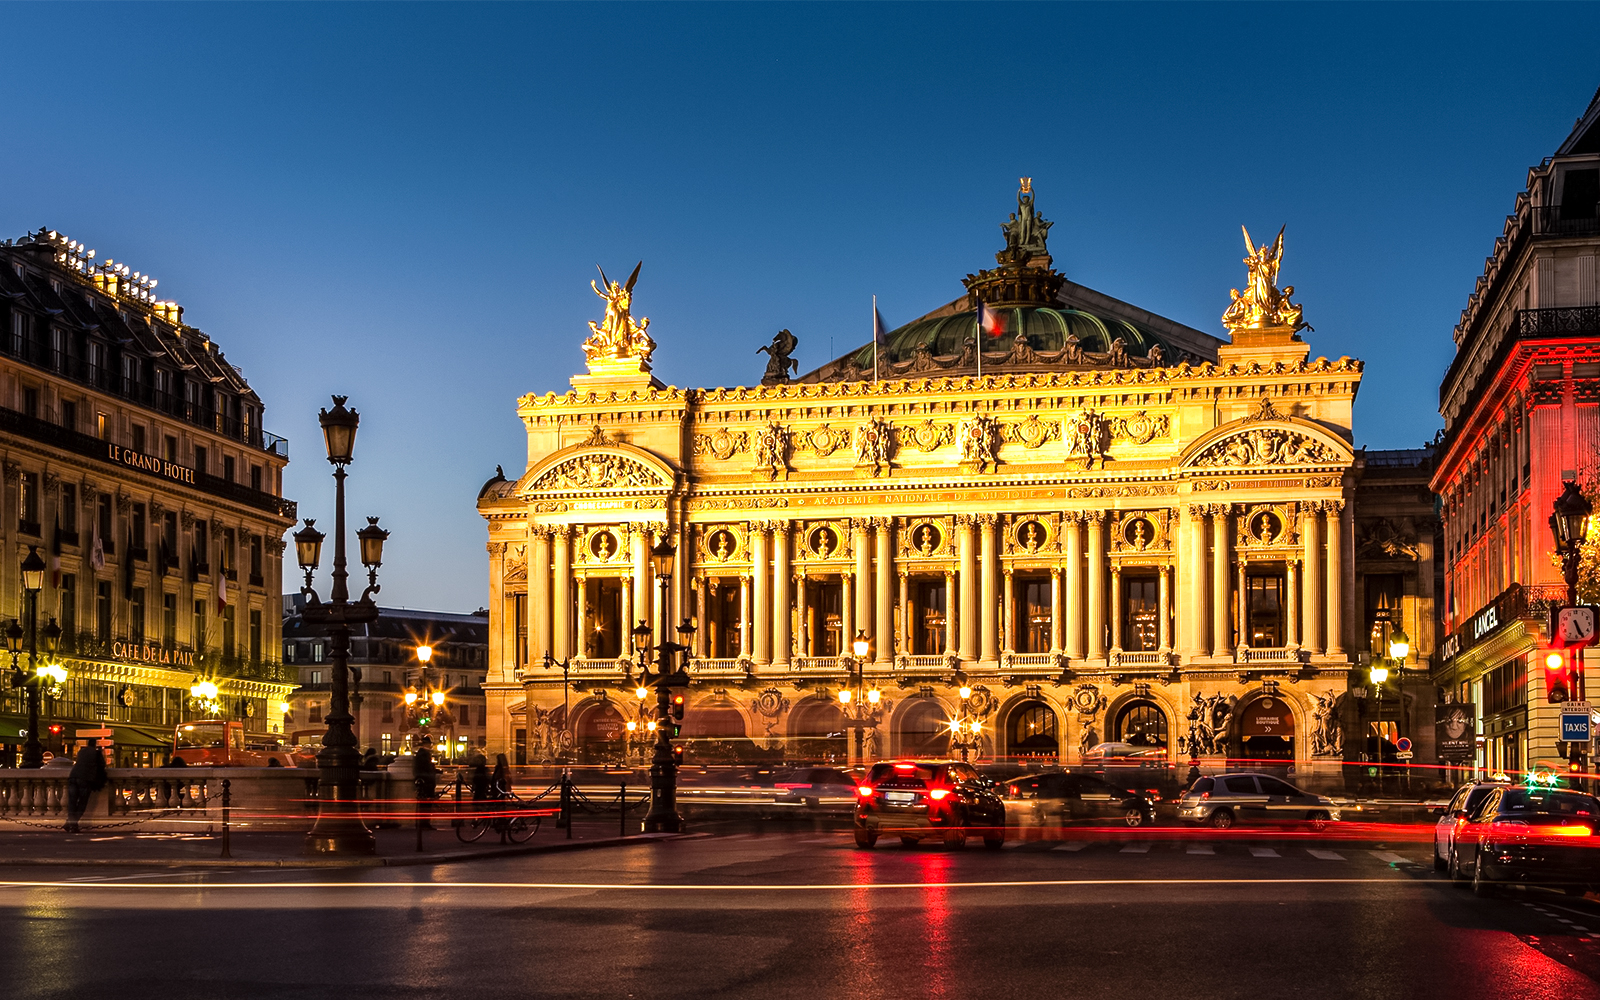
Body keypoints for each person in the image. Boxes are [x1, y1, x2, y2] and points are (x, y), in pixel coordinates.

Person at [65, 743, 108, 834]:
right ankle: (72, 824)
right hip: (85, 779)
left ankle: (70, 823)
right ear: (94, 745)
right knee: (82, 802)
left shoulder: (81, 752)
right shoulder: (96, 753)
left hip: (73, 776)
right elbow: (102, 765)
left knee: (72, 802)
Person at [414, 736, 438, 830]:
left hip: (423, 781)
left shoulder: (420, 754)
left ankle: (423, 823)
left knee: (423, 804)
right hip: (426, 782)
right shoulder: (424, 754)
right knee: (426, 804)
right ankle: (424, 823)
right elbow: (426, 768)